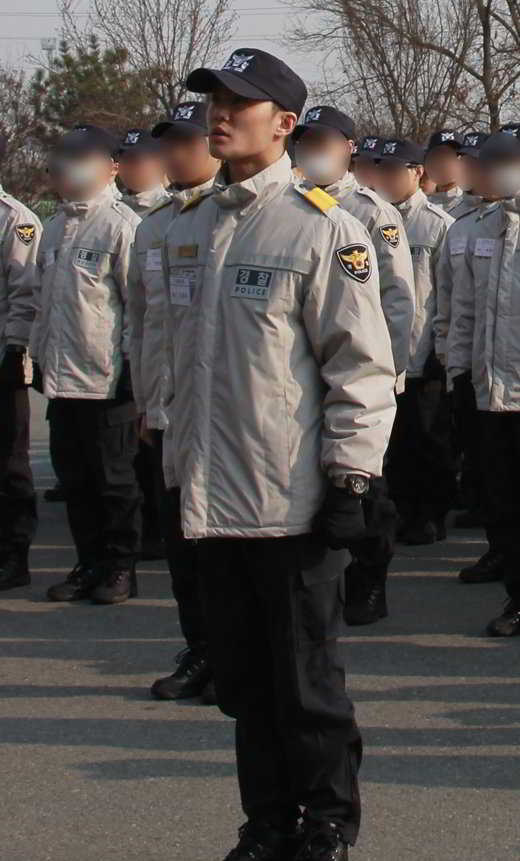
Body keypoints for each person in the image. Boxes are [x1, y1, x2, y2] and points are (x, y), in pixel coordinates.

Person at [162, 48, 397, 861]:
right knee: (244, 685)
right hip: (210, 499)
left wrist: (352, 476)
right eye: (214, 100)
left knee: (307, 687)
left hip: (289, 501)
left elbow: (359, 365)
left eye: (240, 102)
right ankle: (268, 822)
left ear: (285, 123)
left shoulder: (320, 227)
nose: (219, 114)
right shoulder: (189, 227)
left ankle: (327, 823)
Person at [292, 105, 415, 624]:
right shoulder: (289, 206)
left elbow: (398, 301)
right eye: (306, 143)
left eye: (324, 143)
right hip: (304, 378)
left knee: (367, 488)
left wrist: (387, 374)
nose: (313, 153)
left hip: (362, 375)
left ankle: (369, 581)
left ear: (349, 148)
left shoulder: (370, 212)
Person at [127, 101, 220, 701]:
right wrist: (145, 402)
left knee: (225, 554)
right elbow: (143, 322)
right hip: (165, 411)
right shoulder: (153, 225)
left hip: (219, 415)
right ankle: (201, 651)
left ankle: (237, 657)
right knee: (183, 551)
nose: (176, 154)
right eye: (170, 144)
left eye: (189, 141)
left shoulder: (231, 216)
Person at [30, 125, 142, 605]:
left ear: (112, 167)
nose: (71, 166)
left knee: (113, 482)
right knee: (75, 482)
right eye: (66, 157)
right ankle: (88, 562)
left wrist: (131, 368)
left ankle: (119, 566)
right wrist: (37, 357)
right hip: (63, 380)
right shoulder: (55, 227)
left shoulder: (121, 225)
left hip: (106, 381)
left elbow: (138, 306)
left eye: (84, 158)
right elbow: (44, 303)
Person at [448, 130, 520, 636]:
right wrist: (457, 369)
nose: (498, 169)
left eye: (509, 160)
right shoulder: (480, 228)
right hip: (490, 391)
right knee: (504, 502)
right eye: (492, 161)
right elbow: (465, 309)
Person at [376, 138, 456, 544]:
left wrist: (442, 345)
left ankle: (431, 514)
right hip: (381, 350)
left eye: (396, 170)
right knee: (394, 440)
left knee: (428, 438)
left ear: (416, 172)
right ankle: (402, 511)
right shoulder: (372, 218)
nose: (387, 178)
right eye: (382, 170)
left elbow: (448, 290)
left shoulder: (437, 224)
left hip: (423, 349)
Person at [117, 128, 171, 560]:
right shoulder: (142, 222)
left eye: (141, 159)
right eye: (126, 159)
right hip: (145, 364)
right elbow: (135, 307)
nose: (132, 167)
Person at [0, 133, 41, 591]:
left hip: (2, 358)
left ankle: (14, 555)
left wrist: (16, 349)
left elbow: (25, 293)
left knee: (8, 462)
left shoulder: (16, 220)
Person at [116, 129, 170, 215]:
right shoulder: (113, 205)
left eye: (134, 160)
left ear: (158, 163)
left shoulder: (169, 209)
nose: (127, 167)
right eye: (123, 159)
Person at [424, 129, 465, 214]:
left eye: (450, 156)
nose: (443, 162)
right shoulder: (421, 205)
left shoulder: (472, 204)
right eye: (438, 156)